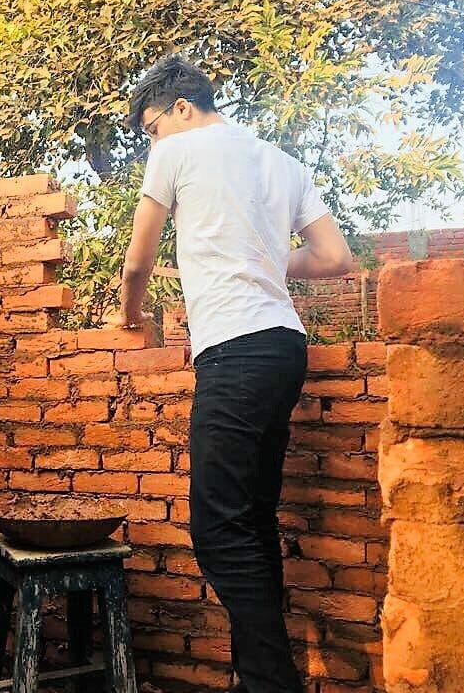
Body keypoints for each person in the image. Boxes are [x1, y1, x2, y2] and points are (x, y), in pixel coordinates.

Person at [120, 56, 354, 693]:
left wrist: (128, 315)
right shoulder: (283, 163)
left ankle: (271, 683)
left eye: (152, 127)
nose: (153, 140)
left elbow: (139, 258)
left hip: (235, 347)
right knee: (252, 519)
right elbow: (335, 257)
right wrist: (273, 259)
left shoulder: (179, 152)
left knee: (218, 529)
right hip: (285, 347)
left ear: (182, 108)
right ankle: (261, 678)